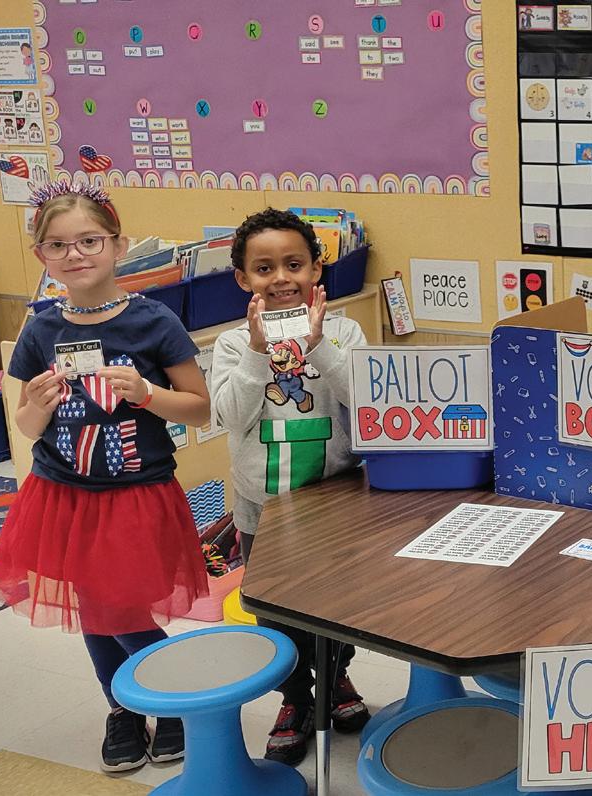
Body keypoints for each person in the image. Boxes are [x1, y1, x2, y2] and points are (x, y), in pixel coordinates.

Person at [0, 182, 211, 772]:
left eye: (89, 240)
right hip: (62, 495)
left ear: (119, 245)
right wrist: (38, 405)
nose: (75, 254)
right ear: (40, 255)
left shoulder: (154, 321)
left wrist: (147, 393)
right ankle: (124, 708)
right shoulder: (40, 330)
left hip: (135, 494)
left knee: (123, 608)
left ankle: (170, 700)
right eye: (58, 245)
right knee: (93, 608)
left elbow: (199, 408)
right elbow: (27, 426)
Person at [210, 208, 371, 765]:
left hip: (336, 502)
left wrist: (319, 344)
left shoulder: (345, 331)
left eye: (294, 264)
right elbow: (231, 417)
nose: (281, 278)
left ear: (315, 270)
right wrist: (258, 353)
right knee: (276, 611)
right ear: (242, 278)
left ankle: (336, 677)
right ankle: (296, 697)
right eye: (264, 268)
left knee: (339, 604)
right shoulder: (233, 345)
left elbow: (365, 402)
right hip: (263, 507)